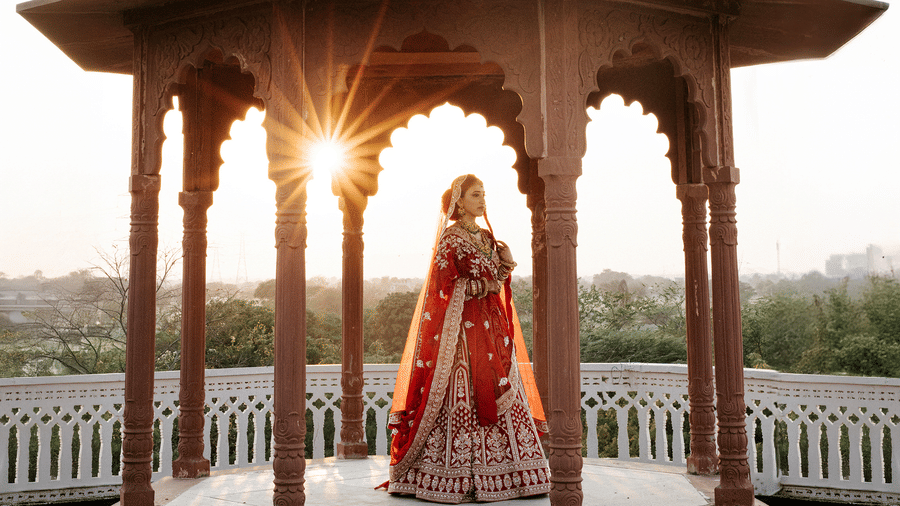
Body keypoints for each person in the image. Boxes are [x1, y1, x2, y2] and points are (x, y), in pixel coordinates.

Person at [381, 174, 550, 503]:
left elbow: (496, 281)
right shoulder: (451, 239)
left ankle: (514, 473)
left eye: (484, 194)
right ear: (458, 201)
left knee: (504, 385)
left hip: (491, 330)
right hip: (460, 335)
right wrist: (480, 287)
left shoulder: (487, 237)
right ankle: (449, 475)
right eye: (476, 194)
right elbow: (442, 286)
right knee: (462, 391)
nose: (482, 199)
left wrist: (506, 261)